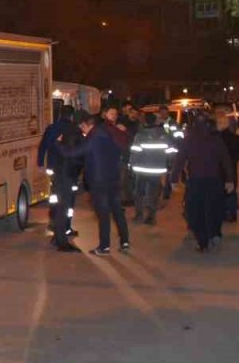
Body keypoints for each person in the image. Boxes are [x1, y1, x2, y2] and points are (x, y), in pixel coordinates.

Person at [64, 113, 130, 256]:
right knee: (117, 211)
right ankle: (125, 242)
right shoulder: (109, 133)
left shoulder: (95, 137)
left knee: (103, 214)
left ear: (87, 125)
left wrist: (57, 145)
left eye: (83, 127)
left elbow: (74, 153)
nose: (82, 131)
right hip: (113, 177)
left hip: (99, 181)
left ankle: (104, 246)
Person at [170, 112, 235, 253]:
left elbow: (179, 160)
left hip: (196, 180)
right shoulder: (215, 138)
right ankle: (214, 234)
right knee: (213, 208)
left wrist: (174, 179)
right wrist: (230, 180)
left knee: (195, 211)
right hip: (213, 180)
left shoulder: (189, 139)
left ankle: (203, 240)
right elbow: (226, 160)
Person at [38, 105, 79, 251]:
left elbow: (43, 146)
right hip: (68, 171)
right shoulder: (73, 129)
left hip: (53, 168)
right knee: (67, 203)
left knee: (55, 198)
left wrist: (40, 162)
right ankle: (64, 228)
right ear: (72, 116)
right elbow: (76, 152)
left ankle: (56, 225)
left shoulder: (52, 128)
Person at [129, 112, 169, 225]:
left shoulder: (140, 135)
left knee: (139, 193)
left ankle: (139, 215)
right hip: (156, 170)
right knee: (154, 193)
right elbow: (170, 151)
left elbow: (135, 152)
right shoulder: (163, 135)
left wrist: (131, 166)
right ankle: (151, 217)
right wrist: (167, 165)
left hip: (141, 170)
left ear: (144, 121)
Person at [217, 114, 239, 222]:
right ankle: (232, 213)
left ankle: (223, 213)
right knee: (231, 190)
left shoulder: (217, 138)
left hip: (219, 169)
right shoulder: (236, 138)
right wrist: (233, 162)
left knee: (221, 191)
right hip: (231, 168)